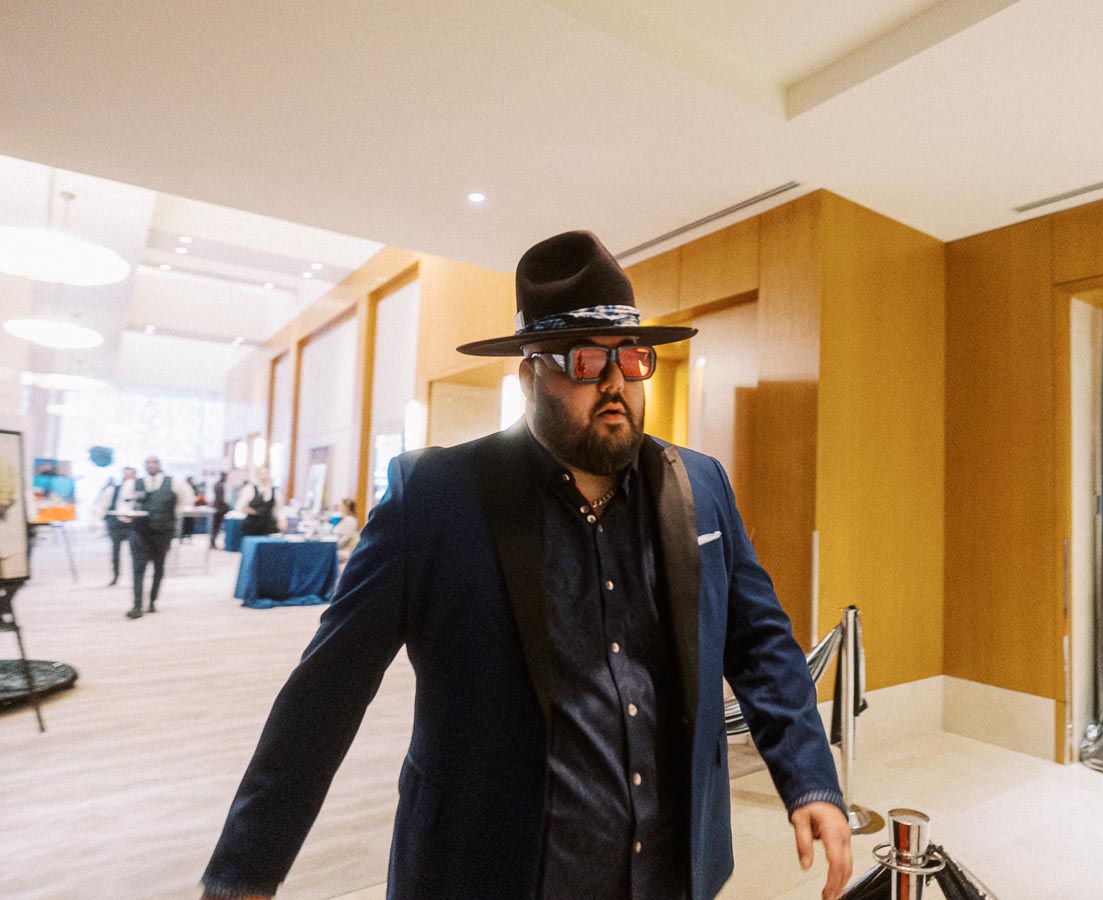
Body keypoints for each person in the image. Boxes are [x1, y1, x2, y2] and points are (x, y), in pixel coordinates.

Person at [201, 231, 851, 900]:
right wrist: (246, 869)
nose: (614, 384)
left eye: (631, 360)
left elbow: (762, 641)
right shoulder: (436, 498)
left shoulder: (701, 485)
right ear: (529, 373)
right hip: (492, 869)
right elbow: (327, 690)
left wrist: (808, 777)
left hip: (667, 870)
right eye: (584, 361)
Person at [127, 455, 194, 619]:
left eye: (153, 462)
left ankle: (152, 601)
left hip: (163, 532)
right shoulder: (135, 483)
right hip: (140, 530)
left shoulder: (174, 482)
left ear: (159, 465)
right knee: (138, 568)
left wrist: (171, 516)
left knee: (159, 566)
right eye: (147, 463)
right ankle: (137, 605)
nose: (150, 465)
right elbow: (125, 504)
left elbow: (187, 501)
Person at [94, 466, 137, 586]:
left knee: (135, 551)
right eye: (125, 474)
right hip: (116, 523)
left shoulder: (139, 489)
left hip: (132, 524)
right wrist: (99, 520)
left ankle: (135, 576)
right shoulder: (113, 490)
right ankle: (116, 576)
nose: (127, 477)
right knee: (115, 551)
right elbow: (104, 504)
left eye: (130, 474)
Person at [235, 467, 279, 537]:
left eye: (266, 474)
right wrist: (251, 511)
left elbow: (278, 509)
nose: (264, 477)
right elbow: (240, 506)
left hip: (269, 525)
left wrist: (282, 519)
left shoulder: (275, 491)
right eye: (262, 474)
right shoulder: (249, 489)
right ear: (257, 476)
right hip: (252, 525)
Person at [210, 472, 230, 549]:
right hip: (219, 510)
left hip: (219, 509)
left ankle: (213, 543)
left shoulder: (219, 485)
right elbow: (220, 499)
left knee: (216, 528)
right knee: (215, 527)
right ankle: (212, 543)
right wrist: (226, 505)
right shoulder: (219, 485)